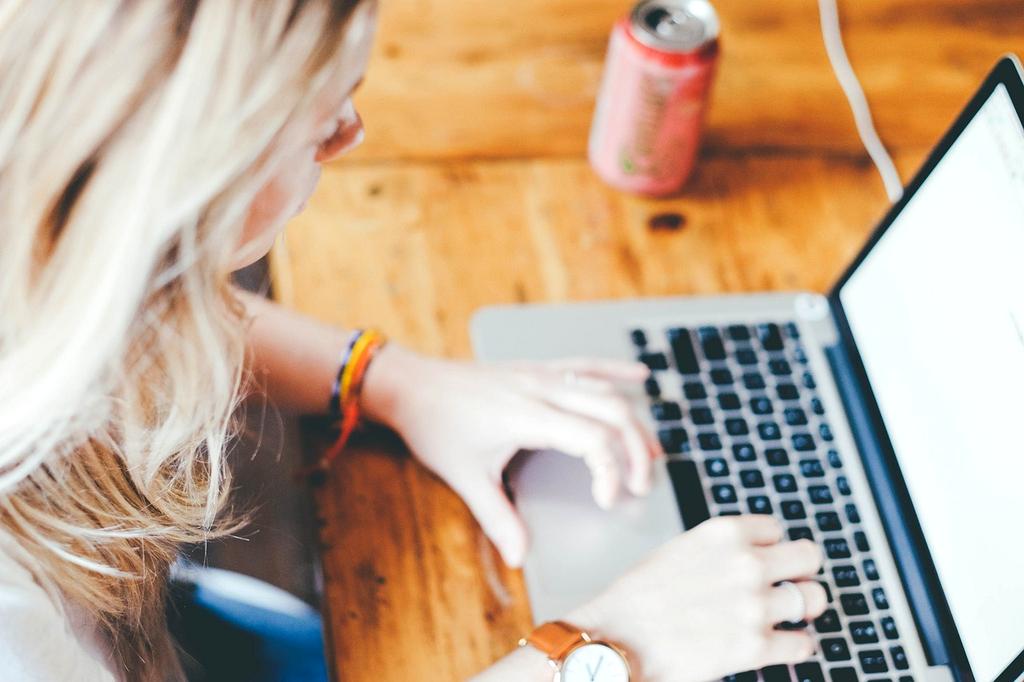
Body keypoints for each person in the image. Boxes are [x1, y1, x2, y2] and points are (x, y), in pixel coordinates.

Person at [0, 1, 827, 680]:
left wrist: (386, 379)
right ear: (186, 191)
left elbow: (133, 303)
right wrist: (613, 650)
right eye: (320, 124)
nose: (352, 134)